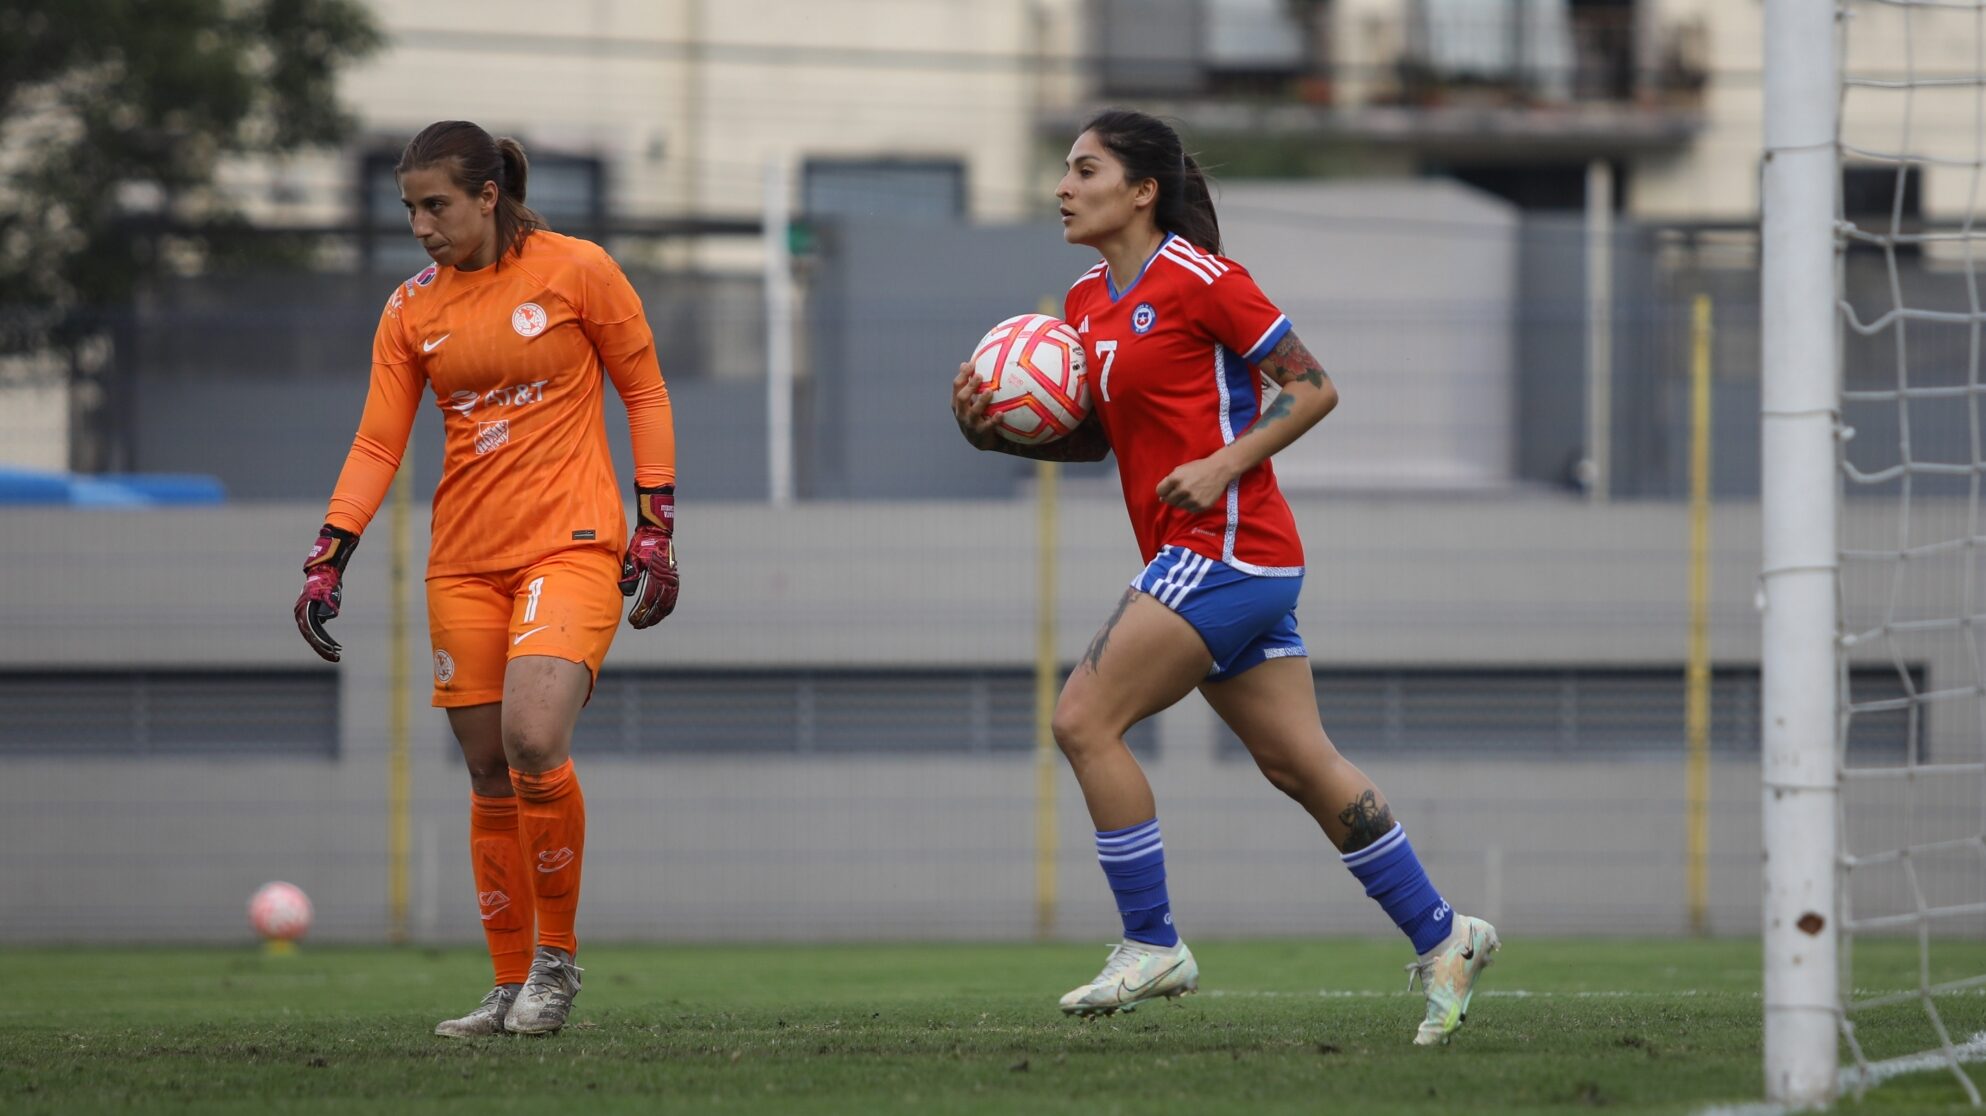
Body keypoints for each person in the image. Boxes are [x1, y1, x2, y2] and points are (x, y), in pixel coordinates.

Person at [950, 109, 1498, 1046]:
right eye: (1065, 171)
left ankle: (1151, 942)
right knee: (1298, 763)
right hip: (1218, 557)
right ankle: (1446, 934)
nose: (1063, 187)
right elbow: (1100, 437)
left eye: (1085, 170)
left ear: (1142, 190)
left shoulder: (1206, 281)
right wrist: (988, 429)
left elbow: (1312, 384)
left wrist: (1225, 463)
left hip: (1228, 549)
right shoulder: (1084, 302)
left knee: (1083, 719)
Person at [293, 120, 679, 1038]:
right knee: (486, 770)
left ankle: (557, 965)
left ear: (488, 196)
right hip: (461, 560)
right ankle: (507, 983)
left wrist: (656, 524)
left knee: (532, 736)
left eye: (437, 206)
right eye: (409, 209)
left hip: (573, 543)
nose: (421, 225)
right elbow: (379, 441)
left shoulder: (577, 269)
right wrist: (329, 552)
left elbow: (646, 391)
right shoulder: (410, 309)